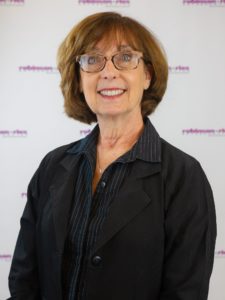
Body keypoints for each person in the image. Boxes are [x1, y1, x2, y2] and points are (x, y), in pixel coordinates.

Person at [8, 11, 217, 300]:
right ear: (79, 79)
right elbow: (24, 280)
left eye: (125, 57)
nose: (108, 72)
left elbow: (186, 292)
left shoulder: (184, 176)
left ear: (147, 75)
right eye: (92, 59)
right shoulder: (52, 166)